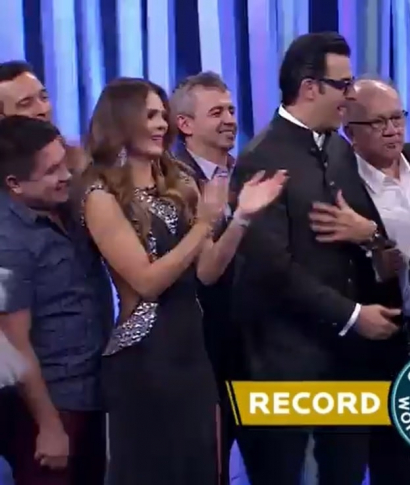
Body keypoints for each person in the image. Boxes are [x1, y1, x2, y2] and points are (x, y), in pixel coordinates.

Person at [81, 77, 285, 485]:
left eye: (163, 115)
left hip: (192, 351)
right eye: (150, 116)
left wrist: (241, 219)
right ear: (121, 121)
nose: (162, 124)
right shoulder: (100, 195)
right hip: (143, 357)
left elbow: (207, 271)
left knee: (200, 469)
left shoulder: (180, 183)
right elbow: (147, 282)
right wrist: (205, 224)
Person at [230, 33, 402, 485]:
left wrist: (371, 239)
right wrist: (353, 315)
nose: (350, 96)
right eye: (342, 85)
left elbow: (361, 235)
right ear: (309, 88)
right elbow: (271, 268)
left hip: (348, 361)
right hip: (284, 362)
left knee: (346, 473)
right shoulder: (262, 159)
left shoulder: (340, 149)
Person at [0, 115, 111, 485]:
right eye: (51, 171)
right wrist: (48, 426)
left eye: (63, 163)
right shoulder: (8, 242)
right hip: (51, 407)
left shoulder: (66, 205)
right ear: (14, 184)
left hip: (92, 393)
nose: (65, 175)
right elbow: (14, 345)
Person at [343, 77, 410, 485]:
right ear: (350, 131)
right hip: (383, 334)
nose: (392, 130)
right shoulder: (341, 183)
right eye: (378, 122)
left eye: (397, 118)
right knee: (391, 457)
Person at [169, 71, 242, 485]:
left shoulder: (249, 171)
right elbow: (204, 273)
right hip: (200, 348)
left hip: (255, 345)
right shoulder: (171, 182)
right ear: (185, 124)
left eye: (231, 109)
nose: (230, 119)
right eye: (216, 112)